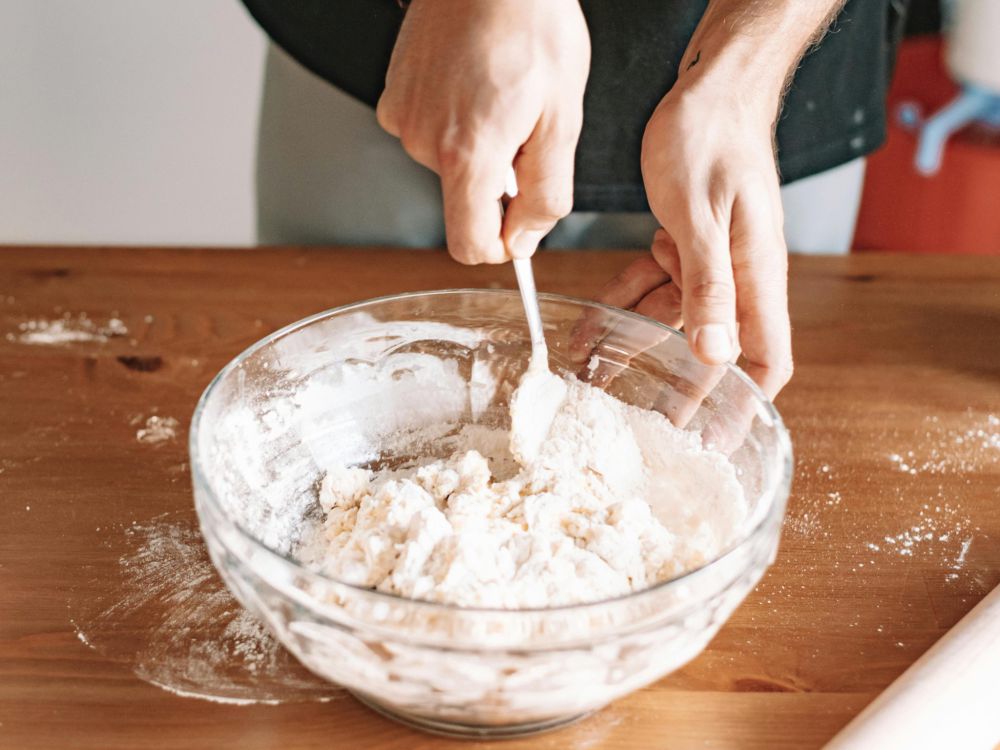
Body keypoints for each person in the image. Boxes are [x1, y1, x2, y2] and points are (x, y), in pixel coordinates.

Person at [242, 0, 908, 399]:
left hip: (782, 56)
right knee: (326, 366)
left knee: (710, 350)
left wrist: (743, 76)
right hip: (392, 45)